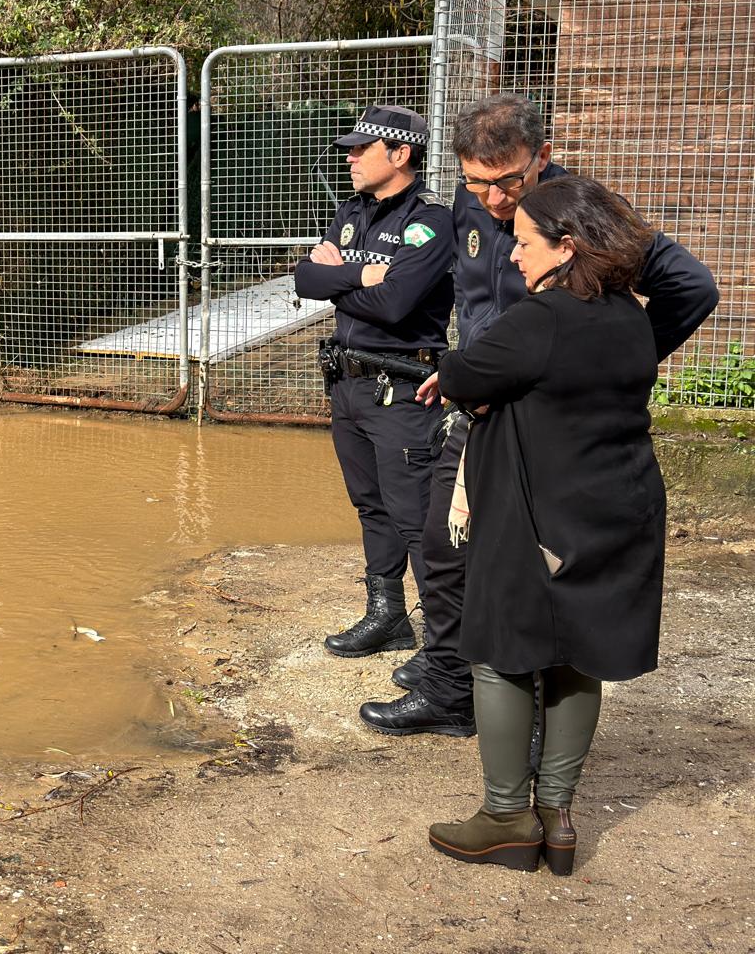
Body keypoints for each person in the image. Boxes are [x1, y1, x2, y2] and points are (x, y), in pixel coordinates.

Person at [358, 95, 718, 738]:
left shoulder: (578, 211)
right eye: (477, 183)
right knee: (444, 545)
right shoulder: (471, 200)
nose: (495, 200)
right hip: (478, 405)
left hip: (545, 422)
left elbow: (691, 287)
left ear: (542, 155)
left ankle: (490, 691)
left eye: (508, 181)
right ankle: (451, 674)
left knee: (522, 561)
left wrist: (605, 362)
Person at [425, 175, 670, 873]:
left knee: (501, 652)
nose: (512, 254)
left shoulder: (542, 319)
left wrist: (460, 377)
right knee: (578, 652)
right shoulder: (631, 317)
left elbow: (464, 373)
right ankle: (557, 815)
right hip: (620, 508)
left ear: (567, 247)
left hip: (540, 513)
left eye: (526, 242)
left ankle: (506, 817)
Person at [294, 105, 453, 658]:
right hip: (348, 383)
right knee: (371, 505)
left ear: (401, 154)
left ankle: (445, 645)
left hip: (403, 387)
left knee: (416, 516)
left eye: (362, 149)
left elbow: (396, 303)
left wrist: (338, 280)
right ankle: (387, 617)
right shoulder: (351, 212)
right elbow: (305, 279)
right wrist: (363, 275)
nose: (351, 158)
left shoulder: (430, 221)